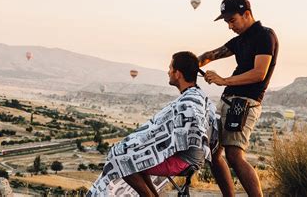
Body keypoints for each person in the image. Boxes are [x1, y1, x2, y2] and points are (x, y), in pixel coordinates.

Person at [88, 51, 218, 197]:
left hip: (182, 160)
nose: (168, 72)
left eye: (170, 68)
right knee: (134, 156)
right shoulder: (196, 96)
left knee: (119, 158)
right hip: (189, 157)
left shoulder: (187, 104)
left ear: (178, 74)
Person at [198, 0, 278, 197]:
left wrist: (223, 80)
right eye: (226, 22)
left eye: (232, 20)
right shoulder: (240, 40)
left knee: (234, 156)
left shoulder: (264, 35)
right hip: (228, 100)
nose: (229, 26)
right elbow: (213, 54)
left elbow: (259, 73)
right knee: (214, 153)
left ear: (247, 14)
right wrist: (190, 63)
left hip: (245, 103)